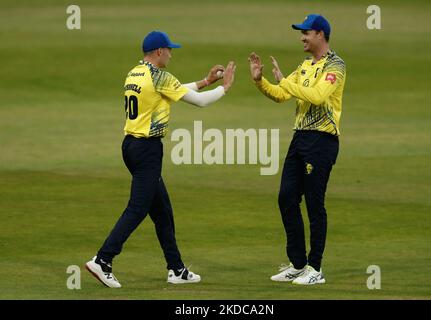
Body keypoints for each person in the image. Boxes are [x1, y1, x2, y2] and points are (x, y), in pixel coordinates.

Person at [86, 30, 236, 288]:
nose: (171, 54)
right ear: (158, 52)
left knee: (162, 211)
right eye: (169, 50)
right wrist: (225, 88)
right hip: (147, 150)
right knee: (138, 207)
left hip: (131, 147)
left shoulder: (136, 73)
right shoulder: (160, 76)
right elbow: (198, 102)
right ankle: (103, 259)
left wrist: (204, 81)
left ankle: (176, 269)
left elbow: (172, 92)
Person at [248, 14, 346, 285]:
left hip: (322, 141)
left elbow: (317, 96)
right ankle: (298, 263)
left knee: (315, 204)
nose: (302, 37)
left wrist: (285, 81)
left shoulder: (335, 66)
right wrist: (261, 81)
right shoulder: (304, 66)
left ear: (321, 35)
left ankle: (315, 269)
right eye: (301, 33)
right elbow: (281, 94)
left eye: (306, 33)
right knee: (286, 197)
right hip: (300, 138)